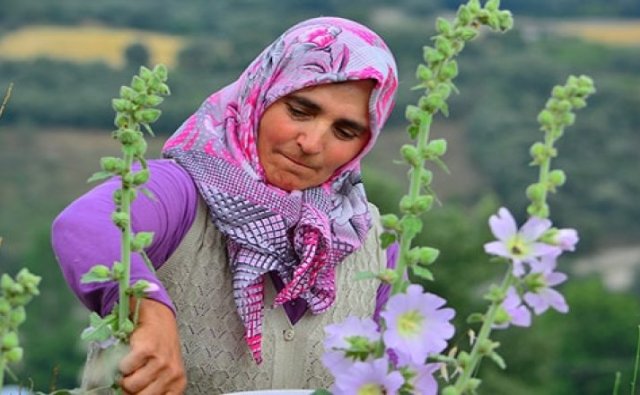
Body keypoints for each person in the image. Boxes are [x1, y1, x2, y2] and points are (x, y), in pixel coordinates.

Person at [52, 16, 399, 394]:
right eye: (300, 110)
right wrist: (147, 309)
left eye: (345, 131)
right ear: (261, 94)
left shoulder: (369, 238)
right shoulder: (182, 190)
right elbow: (84, 224)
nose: (312, 142)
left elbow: (397, 374)